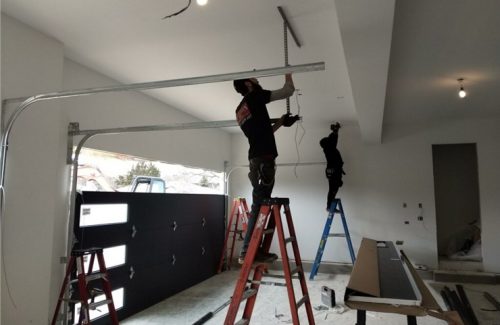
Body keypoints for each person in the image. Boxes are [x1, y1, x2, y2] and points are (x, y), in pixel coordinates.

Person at [233, 74, 296, 264]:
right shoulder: (255, 96)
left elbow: (263, 132)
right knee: (259, 206)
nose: (258, 82)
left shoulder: (240, 110)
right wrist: (288, 73)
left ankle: (252, 250)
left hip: (256, 160)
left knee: (259, 205)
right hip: (263, 162)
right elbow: (288, 91)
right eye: (255, 80)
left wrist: (281, 123)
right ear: (248, 84)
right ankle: (247, 252)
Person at [320, 122, 345, 211]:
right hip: (333, 170)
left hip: (333, 170)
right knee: (333, 189)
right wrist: (335, 130)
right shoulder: (329, 148)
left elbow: (332, 140)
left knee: (334, 188)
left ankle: (329, 206)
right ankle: (329, 206)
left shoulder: (328, 148)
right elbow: (333, 140)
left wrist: (335, 131)